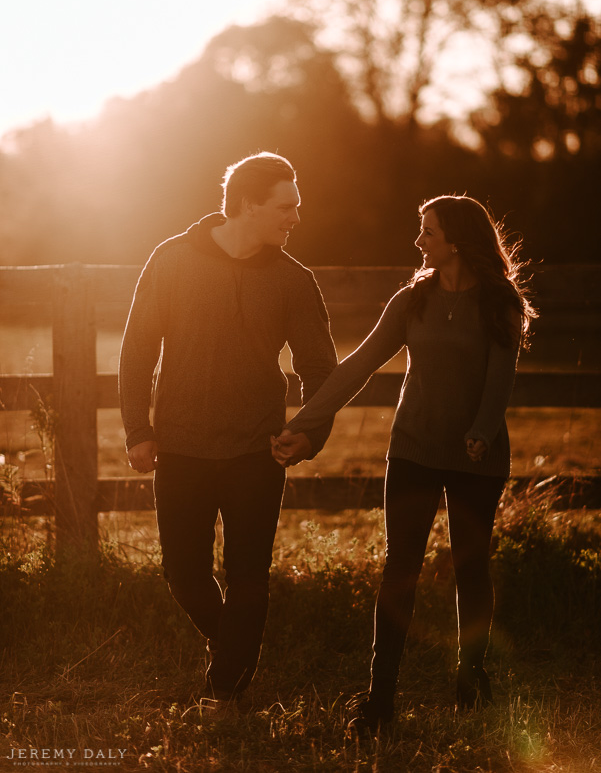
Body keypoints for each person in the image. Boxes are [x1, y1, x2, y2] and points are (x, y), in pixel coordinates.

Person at [272, 195, 536, 733]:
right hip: (413, 450)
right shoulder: (411, 300)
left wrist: (482, 432)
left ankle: (471, 676)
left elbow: (499, 376)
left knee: (470, 566)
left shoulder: (499, 301)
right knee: (400, 569)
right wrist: (304, 421)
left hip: (474, 458)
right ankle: (380, 696)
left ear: (457, 240)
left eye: (428, 232)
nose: (418, 241)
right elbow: (358, 366)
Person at [119, 151, 337, 715]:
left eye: (296, 207)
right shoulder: (170, 260)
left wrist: (308, 432)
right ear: (247, 205)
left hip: (256, 450)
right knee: (182, 572)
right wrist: (138, 429)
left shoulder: (294, 280)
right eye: (284, 207)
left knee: (247, 576)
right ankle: (236, 648)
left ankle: (225, 691)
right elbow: (137, 351)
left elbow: (319, 368)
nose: (295, 218)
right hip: (181, 446)